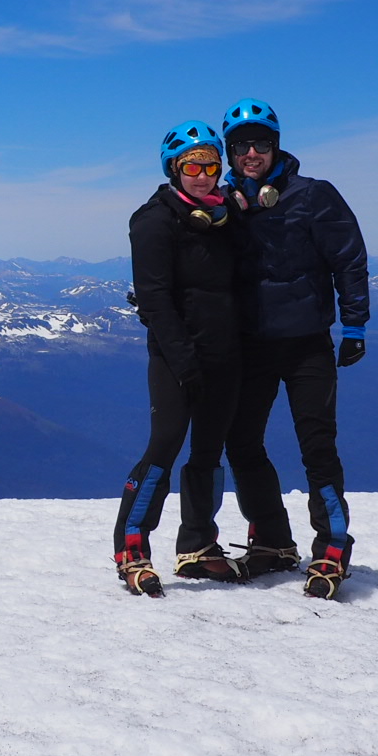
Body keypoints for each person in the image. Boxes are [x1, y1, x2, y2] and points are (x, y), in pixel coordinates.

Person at [114, 120, 292, 596]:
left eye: (211, 164)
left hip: (227, 353)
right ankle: (131, 549)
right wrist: (184, 360)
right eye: (192, 165)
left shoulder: (222, 217)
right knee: (164, 447)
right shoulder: (153, 220)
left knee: (209, 452)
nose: (203, 173)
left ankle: (199, 547)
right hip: (178, 357)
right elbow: (154, 300)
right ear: (174, 169)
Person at [219, 98, 369, 600]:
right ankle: (274, 541)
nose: (252, 153)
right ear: (230, 152)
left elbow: (349, 259)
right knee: (241, 443)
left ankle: (332, 546)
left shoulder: (314, 196)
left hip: (307, 345)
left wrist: (355, 326)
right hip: (251, 347)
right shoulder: (223, 206)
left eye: (261, 143)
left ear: (276, 146)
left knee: (317, 448)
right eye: (241, 146)